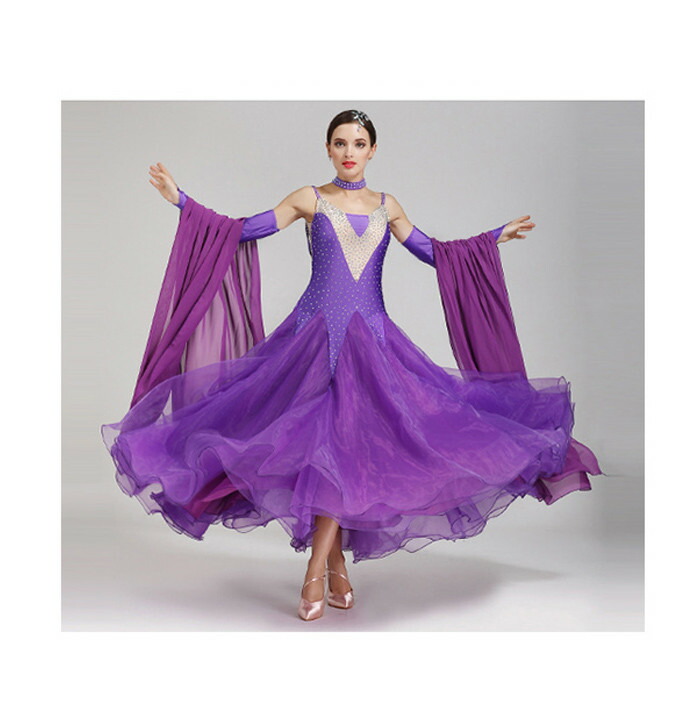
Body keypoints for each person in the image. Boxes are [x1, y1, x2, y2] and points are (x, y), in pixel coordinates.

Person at [101, 109, 603, 621]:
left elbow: (432, 252)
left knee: (346, 452)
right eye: (340, 143)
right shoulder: (309, 198)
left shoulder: (388, 206)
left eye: (358, 143)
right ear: (328, 148)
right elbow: (247, 229)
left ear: (372, 150)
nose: (349, 152)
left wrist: (490, 239)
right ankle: (330, 567)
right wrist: (183, 201)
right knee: (324, 451)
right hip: (311, 342)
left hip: (373, 347)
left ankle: (320, 568)